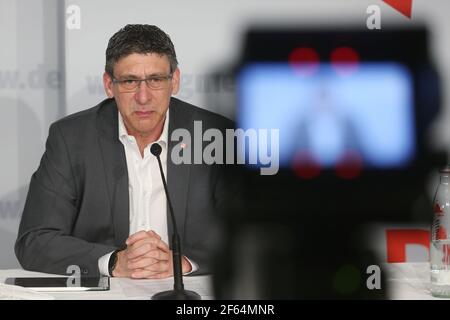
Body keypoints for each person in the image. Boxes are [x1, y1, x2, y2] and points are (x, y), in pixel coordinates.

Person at [15, 24, 233, 279]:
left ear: (174, 81)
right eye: (130, 81)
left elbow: (251, 235)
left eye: (155, 80)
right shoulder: (70, 138)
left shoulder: (215, 136)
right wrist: (113, 262)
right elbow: (34, 240)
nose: (143, 97)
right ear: (109, 85)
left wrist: (182, 263)